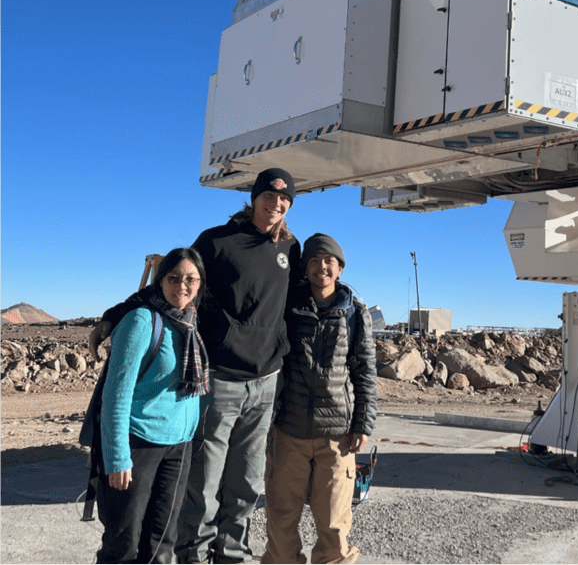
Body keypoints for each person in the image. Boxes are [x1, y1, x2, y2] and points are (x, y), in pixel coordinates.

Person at [89, 167, 302, 564]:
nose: (275, 204)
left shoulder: (290, 249)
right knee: (203, 483)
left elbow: (295, 304)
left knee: (247, 483)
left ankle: (232, 556)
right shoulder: (217, 241)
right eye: (268, 197)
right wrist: (116, 313)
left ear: (289, 204)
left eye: (284, 199)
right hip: (221, 378)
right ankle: (193, 555)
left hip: (265, 381)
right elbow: (175, 283)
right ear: (254, 197)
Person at [261, 233, 377, 565]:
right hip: (289, 432)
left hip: (337, 437)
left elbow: (365, 371)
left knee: (334, 529)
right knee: (280, 525)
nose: (321, 267)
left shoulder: (355, 313)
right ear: (305, 268)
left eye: (328, 261)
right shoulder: (288, 307)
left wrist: (362, 423)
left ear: (339, 268)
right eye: (313, 261)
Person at [96, 247, 210, 564]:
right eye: (173, 278)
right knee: (123, 544)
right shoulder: (142, 321)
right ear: (159, 282)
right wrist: (116, 457)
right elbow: (115, 393)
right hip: (138, 444)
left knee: (162, 543)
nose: (182, 287)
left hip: (179, 445)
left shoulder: (190, 323)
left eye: (191, 279)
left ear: (200, 284)